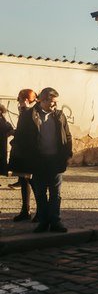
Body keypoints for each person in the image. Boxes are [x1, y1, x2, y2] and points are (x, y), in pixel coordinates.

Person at [11, 87, 72, 233]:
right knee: (40, 193)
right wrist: (25, 159)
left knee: (55, 193)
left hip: (55, 161)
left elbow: (67, 136)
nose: (54, 105)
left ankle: (56, 222)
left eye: (56, 102)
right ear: (42, 101)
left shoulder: (59, 115)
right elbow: (20, 137)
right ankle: (43, 222)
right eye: (52, 102)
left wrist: (67, 155)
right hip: (38, 161)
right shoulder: (29, 116)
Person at [8, 89, 38, 222]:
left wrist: (16, 134)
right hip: (23, 152)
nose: (18, 101)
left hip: (29, 153)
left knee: (34, 182)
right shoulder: (25, 112)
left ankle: (40, 212)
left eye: (19, 99)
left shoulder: (31, 112)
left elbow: (31, 132)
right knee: (25, 181)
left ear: (26, 99)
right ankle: (25, 210)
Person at [0, 104, 14, 178]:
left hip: (2, 144)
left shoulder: (3, 121)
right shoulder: (4, 121)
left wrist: (7, 134)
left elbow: (10, 130)